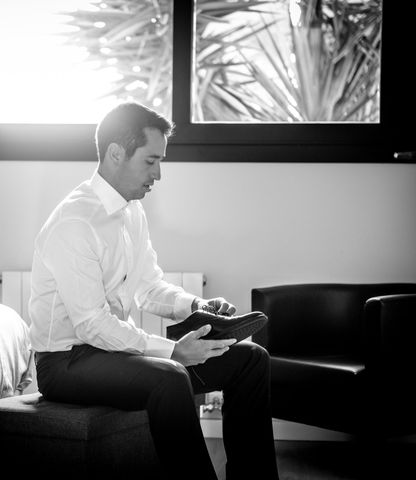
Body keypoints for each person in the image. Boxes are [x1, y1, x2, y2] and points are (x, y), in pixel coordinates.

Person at [28, 101, 279, 479]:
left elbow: (147, 288)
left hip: (113, 355)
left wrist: (196, 304)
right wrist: (174, 351)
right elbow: (91, 325)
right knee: (170, 376)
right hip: (67, 364)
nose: (158, 174)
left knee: (251, 358)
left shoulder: (132, 212)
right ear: (116, 154)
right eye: (150, 161)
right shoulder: (74, 222)